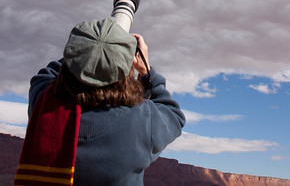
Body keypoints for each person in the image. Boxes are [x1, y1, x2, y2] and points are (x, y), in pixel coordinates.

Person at [14, 17, 186, 186]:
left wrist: (87, 49)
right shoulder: (140, 123)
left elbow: (46, 74)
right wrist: (145, 71)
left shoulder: (44, 105)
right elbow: (173, 114)